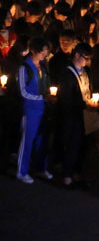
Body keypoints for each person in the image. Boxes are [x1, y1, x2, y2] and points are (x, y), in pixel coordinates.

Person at [57, 42, 99, 186]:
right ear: (76, 55)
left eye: (89, 58)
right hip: (72, 116)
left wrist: (92, 102)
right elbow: (66, 98)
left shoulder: (85, 71)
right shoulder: (67, 73)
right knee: (72, 144)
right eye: (85, 58)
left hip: (84, 115)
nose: (87, 61)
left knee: (82, 145)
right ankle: (67, 175)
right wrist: (85, 104)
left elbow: (89, 89)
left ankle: (77, 173)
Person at [17, 37, 50, 183]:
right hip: (30, 110)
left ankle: (40, 168)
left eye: (45, 51)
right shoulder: (25, 68)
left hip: (42, 108)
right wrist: (39, 98)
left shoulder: (43, 66)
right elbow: (23, 91)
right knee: (27, 141)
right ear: (34, 51)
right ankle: (21, 171)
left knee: (41, 141)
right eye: (42, 51)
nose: (44, 54)